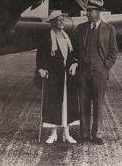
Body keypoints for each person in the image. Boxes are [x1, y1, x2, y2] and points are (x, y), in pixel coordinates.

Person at [72, 0, 118, 145]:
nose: (87, 13)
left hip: (100, 72)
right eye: (87, 11)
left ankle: (97, 134)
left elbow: (113, 51)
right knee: (83, 102)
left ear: (98, 12)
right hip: (83, 72)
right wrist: (76, 64)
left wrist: (106, 66)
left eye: (90, 11)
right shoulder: (81, 28)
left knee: (98, 104)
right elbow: (74, 50)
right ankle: (84, 134)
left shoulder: (109, 29)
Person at [34, 11, 80, 144]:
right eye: (59, 20)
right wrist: (41, 69)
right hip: (53, 77)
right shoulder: (46, 38)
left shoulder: (68, 36)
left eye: (63, 20)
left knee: (68, 104)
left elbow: (73, 55)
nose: (62, 22)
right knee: (53, 103)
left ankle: (66, 133)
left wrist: (74, 64)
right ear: (52, 22)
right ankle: (53, 134)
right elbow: (40, 57)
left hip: (67, 77)